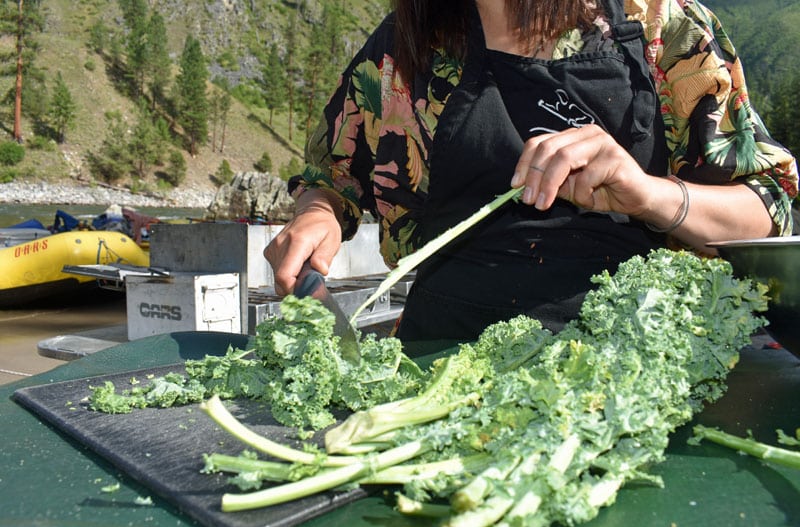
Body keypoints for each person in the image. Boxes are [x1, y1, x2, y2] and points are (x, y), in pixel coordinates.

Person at [265, 0, 798, 349]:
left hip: (633, 361)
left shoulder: (664, 28)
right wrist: (318, 213)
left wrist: (647, 195)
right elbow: (337, 176)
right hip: (440, 359)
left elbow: (767, 208)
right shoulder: (411, 39)